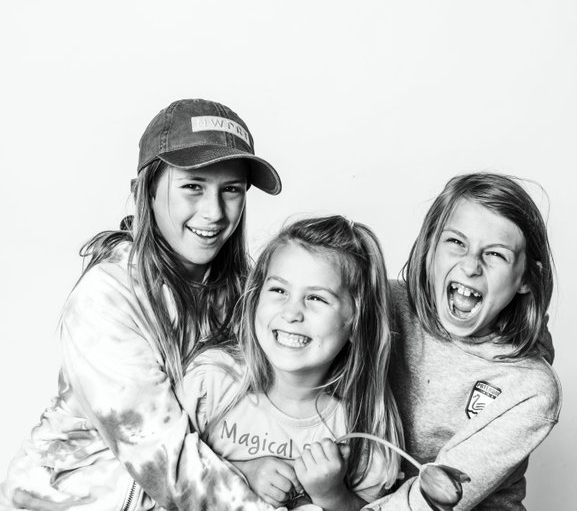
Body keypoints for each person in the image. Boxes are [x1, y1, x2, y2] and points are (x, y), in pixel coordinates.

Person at [0, 98, 284, 511]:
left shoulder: (243, 289)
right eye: (192, 186)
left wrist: (251, 466)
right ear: (144, 192)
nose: (215, 212)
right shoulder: (107, 296)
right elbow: (167, 464)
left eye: (232, 190)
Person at [180, 215, 404, 511]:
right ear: (256, 296)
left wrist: (331, 495)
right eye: (279, 291)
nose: (291, 313)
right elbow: (165, 469)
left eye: (316, 298)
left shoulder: (363, 424)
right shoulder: (211, 382)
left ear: (355, 322)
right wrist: (245, 473)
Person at [368, 172, 561, 511]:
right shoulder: (383, 304)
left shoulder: (530, 387)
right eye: (456, 242)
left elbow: (433, 501)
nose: (471, 266)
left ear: (526, 279)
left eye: (496, 254)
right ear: (430, 249)